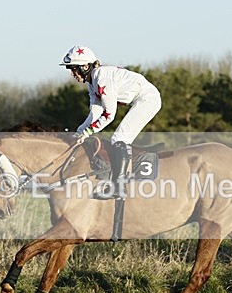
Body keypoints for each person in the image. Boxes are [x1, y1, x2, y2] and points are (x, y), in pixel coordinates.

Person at [60, 45, 162, 199]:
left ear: (85, 66)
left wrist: (88, 132)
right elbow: (95, 113)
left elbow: (109, 115)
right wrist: (79, 132)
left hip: (148, 99)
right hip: (140, 99)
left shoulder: (102, 78)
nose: (72, 74)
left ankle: (119, 187)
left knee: (119, 139)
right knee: (117, 138)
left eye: (74, 69)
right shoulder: (92, 82)